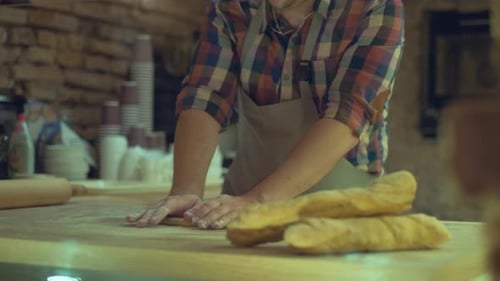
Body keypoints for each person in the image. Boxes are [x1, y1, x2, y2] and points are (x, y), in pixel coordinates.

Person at [127, 0, 405, 229]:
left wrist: (259, 201)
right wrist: (186, 189)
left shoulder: (374, 7)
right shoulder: (232, 7)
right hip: (242, 212)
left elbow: (348, 114)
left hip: (341, 218)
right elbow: (205, 94)